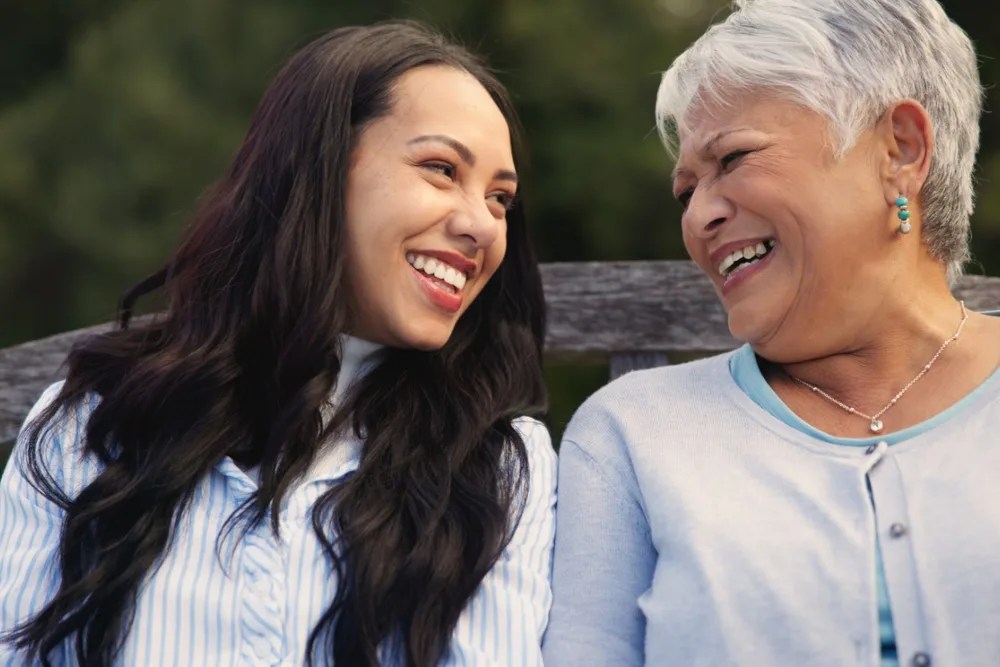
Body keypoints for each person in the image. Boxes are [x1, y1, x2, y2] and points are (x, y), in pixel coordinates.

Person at [0, 20, 556, 667]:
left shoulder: (496, 468)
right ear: (319, 168)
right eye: (441, 169)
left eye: (500, 198)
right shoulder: (92, 427)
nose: (481, 225)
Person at [543, 0, 1000, 665]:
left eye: (732, 158)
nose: (697, 218)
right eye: (686, 192)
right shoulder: (634, 433)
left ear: (900, 149)